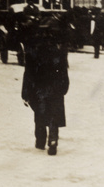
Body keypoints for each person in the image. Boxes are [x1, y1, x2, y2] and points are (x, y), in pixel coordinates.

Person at [21, 15, 69, 156]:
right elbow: (63, 70)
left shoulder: (33, 50)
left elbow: (28, 73)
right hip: (55, 87)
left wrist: (25, 92)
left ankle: (40, 140)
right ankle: (53, 140)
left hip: (39, 87)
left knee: (40, 113)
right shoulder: (58, 50)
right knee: (54, 114)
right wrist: (64, 86)